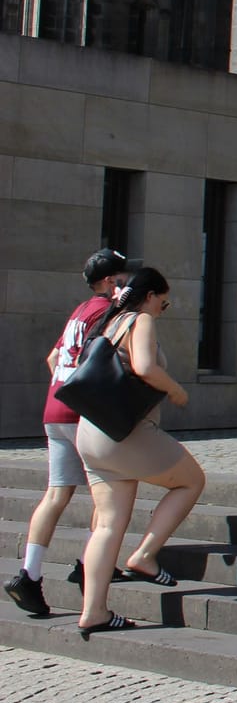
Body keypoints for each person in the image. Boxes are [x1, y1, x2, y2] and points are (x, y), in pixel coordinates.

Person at [72, 268, 206, 639]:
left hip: (90, 433)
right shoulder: (140, 320)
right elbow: (145, 367)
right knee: (192, 482)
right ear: (150, 296)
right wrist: (176, 391)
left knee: (107, 525)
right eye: (164, 300)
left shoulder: (106, 321)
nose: (164, 307)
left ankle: (93, 612)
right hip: (126, 433)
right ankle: (145, 555)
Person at [7, 249, 129, 618]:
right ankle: (88, 563)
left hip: (54, 408)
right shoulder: (105, 311)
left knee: (56, 494)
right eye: (121, 278)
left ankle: (30, 573)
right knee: (106, 491)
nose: (125, 284)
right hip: (82, 414)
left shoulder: (79, 311)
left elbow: (52, 358)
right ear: (110, 282)